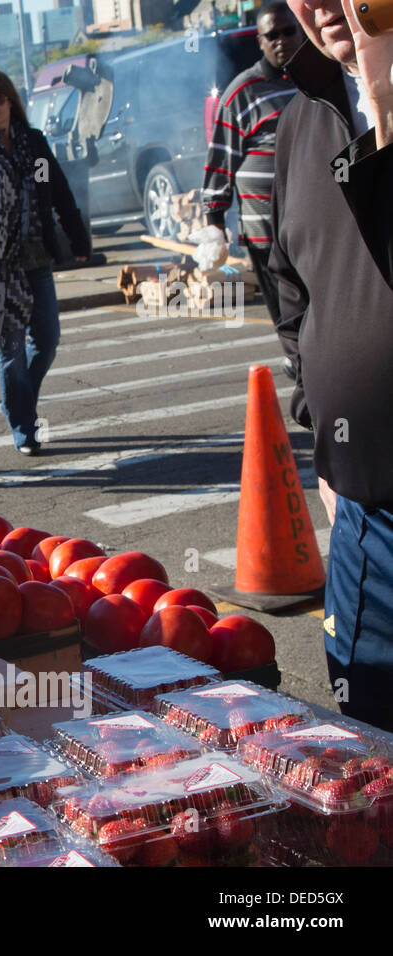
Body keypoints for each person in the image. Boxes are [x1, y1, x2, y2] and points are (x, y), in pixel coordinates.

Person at [271, 0, 393, 730]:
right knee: (371, 754)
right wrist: (319, 425)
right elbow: (291, 288)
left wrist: (384, 107)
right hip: (363, 512)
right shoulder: (302, 120)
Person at [0, 71, 90, 457]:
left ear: (11, 103)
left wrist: (78, 238)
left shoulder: (33, 144)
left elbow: (58, 191)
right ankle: (23, 426)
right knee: (10, 351)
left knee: (47, 341)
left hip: (36, 256)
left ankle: (21, 401)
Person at [201, 1, 304, 378]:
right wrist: (215, 226)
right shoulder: (242, 93)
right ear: (260, 42)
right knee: (292, 324)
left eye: (287, 32)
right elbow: (218, 164)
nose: (280, 41)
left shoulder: (316, 81)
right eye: (271, 36)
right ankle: (308, 392)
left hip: (316, 233)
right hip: (267, 237)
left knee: (324, 321)